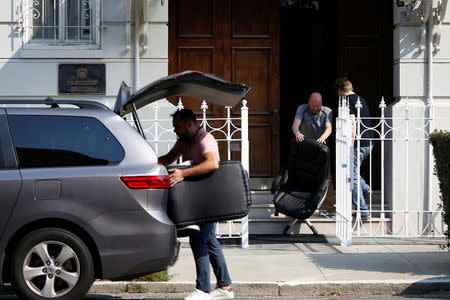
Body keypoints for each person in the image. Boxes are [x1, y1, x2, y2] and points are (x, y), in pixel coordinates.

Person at [158, 109, 234, 300]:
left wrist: (183, 174)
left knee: (199, 240)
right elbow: (169, 157)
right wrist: (150, 163)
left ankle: (203, 290)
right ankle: (225, 288)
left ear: (189, 125)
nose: (175, 131)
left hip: (209, 199)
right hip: (197, 200)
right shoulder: (184, 141)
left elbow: (213, 164)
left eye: (178, 127)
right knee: (209, 241)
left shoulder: (205, 139)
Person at [334, 77, 373, 220]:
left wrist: (351, 145)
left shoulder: (347, 101)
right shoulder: (361, 99)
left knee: (352, 175)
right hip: (369, 141)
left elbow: (352, 122)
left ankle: (363, 211)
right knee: (353, 172)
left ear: (340, 90)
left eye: (337, 92)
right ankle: (365, 188)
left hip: (358, 143)